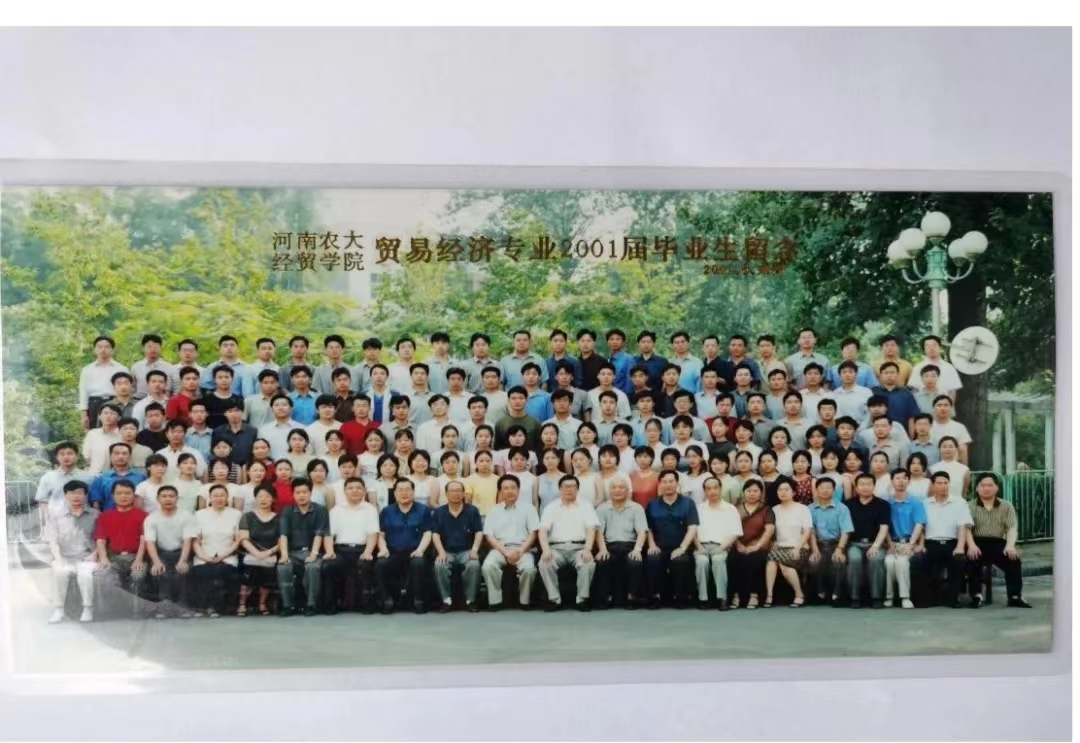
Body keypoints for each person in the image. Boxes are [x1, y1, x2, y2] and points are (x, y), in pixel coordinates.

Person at [966, 473, 1031, 608]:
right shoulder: (969, 506)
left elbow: (1011, 528)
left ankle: (1014, 596)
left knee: (1013, 560)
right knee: (973, 559)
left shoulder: (1006, 506)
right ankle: (976, 596)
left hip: (997, 542)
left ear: (996, 488)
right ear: (977, 488)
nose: (986, 488)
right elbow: (966, 529)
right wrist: (971, 545)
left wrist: (1010, 546)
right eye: (983, 485)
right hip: (977, 541)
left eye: (990, 485)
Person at [537, 475, 600, 612]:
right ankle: (554, 600)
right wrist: (546, 550)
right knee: (544, 562)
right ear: (559, 489)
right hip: (556, 549)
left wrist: (587, 549)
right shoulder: (551, 507)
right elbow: (542, 531)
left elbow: (591, 529)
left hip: (579, 548)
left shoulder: (586, 506)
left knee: (588, 563)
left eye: (572, 486)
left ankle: (582, 599)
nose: (569, 489)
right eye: (565, 486)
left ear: (577, 489)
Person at [481, 475, 540, 610]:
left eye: (513, 488)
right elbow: (489, 535)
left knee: (529, 569)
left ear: (518, 490)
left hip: (523, 549)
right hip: (500, 549)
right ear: (500, 492)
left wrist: (520, 551)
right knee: (488, 566)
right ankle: (495, 601)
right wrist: (506, 552)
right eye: (506, 488)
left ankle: (524, 601)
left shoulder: (529, 508)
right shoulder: (494, 510)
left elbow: (533, 533)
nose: (510, 491)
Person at [375, 478, 433, 614]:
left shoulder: (423, 510)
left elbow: (428, 532)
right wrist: (383, 549)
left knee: (418, 563)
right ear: (394, 493)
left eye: (407, 489)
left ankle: (418, 600)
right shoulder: (387, 511)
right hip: (393, 551)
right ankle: (387, 600)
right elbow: (381, 534)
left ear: (413, 492)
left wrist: (420, 550)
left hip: (415, 551)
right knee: (380, 564)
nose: (404, 493)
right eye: (400, 490)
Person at [44, 480, 99, 623]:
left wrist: (95, 555)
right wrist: (58, 558)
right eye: (72, 493)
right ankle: (58, 609)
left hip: (87, 557)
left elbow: (102, 539)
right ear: (66, 495)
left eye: (80, 493)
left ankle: (88, 608)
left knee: (85, 574)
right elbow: (52, 540)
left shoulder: (95, 515)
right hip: (64, 556)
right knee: (59, 571)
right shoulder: (56, 515)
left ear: (85, 495)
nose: (76, 496)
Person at [323, 477, 380, 614]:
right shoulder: (336, 510)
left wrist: (368, 551)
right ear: (344, 491)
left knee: (365, 564)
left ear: (364, 491)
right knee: (328, 566)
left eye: (358, 488)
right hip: (341, 550)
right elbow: (329, 535)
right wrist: (330, 551)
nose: (355, 491)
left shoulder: (370, 509)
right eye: (350, 488)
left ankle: (366, 604)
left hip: (362, 549)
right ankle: (331, 605)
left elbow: (373, 534)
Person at [92, 479, 147, 619]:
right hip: (113, 557)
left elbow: (145, 540)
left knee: (138, 575)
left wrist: (139, 560)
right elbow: (100, 540)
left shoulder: (143, 516)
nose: (123, 496)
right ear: (113, 496)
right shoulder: (105, 516)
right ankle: (107, 612)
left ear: (133, 495)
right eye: (119, 493)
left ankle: (136, 611)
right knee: (102, 574)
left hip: (135, 557)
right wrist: (104, 559)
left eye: (127, 493)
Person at [643, 469, 698, 609]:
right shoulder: (652, 504)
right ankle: (655, 597)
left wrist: (682, 548)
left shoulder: (688, 503)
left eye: (671, 481)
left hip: (680, 545)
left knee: (680, 560)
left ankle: (680, 597)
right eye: (665, 482)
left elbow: (692, 528)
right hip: (659, 546)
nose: (668, 485)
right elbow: (648, 528)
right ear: (660, 484)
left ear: (677, 483)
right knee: (652, 559)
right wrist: (652, 544)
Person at [592, 474, 648, 609]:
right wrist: (602, 549)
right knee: (602, 560)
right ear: (609, 491)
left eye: (621, 487)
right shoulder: (602, 508)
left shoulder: (636, 508)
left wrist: (637, 550)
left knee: (635, 561)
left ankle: (632, 597)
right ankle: (605, 597)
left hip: (630, 546)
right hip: (609, 546)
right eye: (614, 487)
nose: (617, 490)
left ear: (628, 491)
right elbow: (599, 532)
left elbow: (642, 532)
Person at [276, 478, 329, 616]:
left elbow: (319, 534)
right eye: (298, 492)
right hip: (293, 552)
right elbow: (283, 535)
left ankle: (311, 604)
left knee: (312, 567)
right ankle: (288, 606)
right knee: (283, 567)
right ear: (293, 494)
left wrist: (314, 554)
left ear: (310, 493)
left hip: (314, 551)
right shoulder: (287, 511)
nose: (301, 495)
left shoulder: (320, 510)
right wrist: (284, 555)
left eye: (304, 492)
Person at [142, 484, 197, 619]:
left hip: (181, 552)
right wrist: (156, 562)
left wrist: (183, 561)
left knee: (182, 571)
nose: (168, 499)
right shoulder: (151, 518)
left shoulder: (186, 516)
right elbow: (150, 542)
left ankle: (183, 607)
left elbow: (187, 541)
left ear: (177, 498)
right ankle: (164, 607)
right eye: (164, 496)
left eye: (171, 496)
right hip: (160, 553)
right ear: (158, 499)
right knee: (160, 572)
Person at [430, 480, 484, 613]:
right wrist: (441, 552)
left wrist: (474, 550)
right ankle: (446, 600)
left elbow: (479, 532)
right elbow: (435, 534)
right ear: (446, 494)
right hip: (447, 551)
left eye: (459, 490)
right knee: (439, 565)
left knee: (474, 564)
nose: (456, 493)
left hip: (466, 550)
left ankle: (470, 600)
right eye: (452, 491)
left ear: (463, 493)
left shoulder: (472, 510)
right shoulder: (439, 512)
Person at [191, 483, 242, 618]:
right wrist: (203, 556)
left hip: (227, 554)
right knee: (203, 570)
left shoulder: (236, 514)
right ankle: (205, 607)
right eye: (215, 496)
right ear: (210, 498)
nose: (219, 498)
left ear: (227, 497)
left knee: (221, 569)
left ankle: (216, 607)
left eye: (222, 495)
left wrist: (223, 555)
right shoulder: (199, 514)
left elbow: (237, 540)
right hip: (204, 554)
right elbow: (196, 541)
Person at [922, 472, 972, 608]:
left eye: (945, 483)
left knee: (959, 560)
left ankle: (952, 598)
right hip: (930, 543)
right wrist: (921, 544)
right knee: (919, 561)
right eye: (939, 483)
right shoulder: (925, 503)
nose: (943, 486)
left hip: (952, 543)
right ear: (932, 486)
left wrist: (960, 546)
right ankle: (928, 597)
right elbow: (920, 526)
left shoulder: (959, 502)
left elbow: (963, 525)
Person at [693, 476, 743, 610]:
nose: (712, 491)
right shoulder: (698, 508)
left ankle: (722, 598)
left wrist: (722, 547)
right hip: (701, 545)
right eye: (708, 489)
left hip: (722, 546)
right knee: (702, 561)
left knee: (718, 560)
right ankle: (703, 599)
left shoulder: (730, 508)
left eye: (715, 488)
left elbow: (736, 533)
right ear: (704, 491)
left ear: (721, 489)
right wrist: (699, 547)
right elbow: (692, 531)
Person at [765, 476, 812, 608]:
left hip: (800, 548)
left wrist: (797, 548)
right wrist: (773, 541)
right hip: (780, 548)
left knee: (783, 564)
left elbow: (807, 532)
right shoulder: (774, 510)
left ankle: (799, 594)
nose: (783, 492)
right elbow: (772, 531)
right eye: (780, 490)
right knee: (771, 561)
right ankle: (769, 596)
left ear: (794, 492)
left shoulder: (803, 509)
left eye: (786, 489)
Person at [728, 480, 775, 610]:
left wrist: (757, 546)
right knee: (733, 560)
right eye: (749, 491)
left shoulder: (766, 509)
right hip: (738, 544)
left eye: (755, 491)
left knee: (754, 560)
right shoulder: (736, 509)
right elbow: (731, 529)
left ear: (761, 493)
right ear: (744, 493)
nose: (752, 494)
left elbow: (770, 529)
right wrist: (738, 545)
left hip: (759, 545)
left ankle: (754, 595)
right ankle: (736, 596)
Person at [237, 484, 281, 615]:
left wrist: (268, 552)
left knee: (268, 571)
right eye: (260, 496)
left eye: (267, 496)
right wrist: (256, 553)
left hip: (271, 553)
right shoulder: (247, 516)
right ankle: (242, 604)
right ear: (255, 498)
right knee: (249, 569)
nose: (263, 499)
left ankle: (262, 603)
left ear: (273, 499)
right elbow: (244, 539)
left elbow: (282, 541)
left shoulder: (279, 518)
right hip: (251, 553)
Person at [884, 468, 925, 609]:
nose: (901, 481)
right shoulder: (887, 503)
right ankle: (889, 597)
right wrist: (890, 544)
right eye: (897, 478)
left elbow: (919, 524)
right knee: (889, 562)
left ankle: (905, 597)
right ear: (892, 481)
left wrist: (911, 544)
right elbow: (884, 526)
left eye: (904, 478)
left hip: (909, 542)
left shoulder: (916, 502)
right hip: (892, 543)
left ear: (908, 481)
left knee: (902, 562)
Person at [807, 478, 852, 605]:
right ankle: (819, 593)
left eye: (828, 487)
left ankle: (837, 594)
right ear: (816, 490)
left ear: (834, 490)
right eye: (822, 487)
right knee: (814, 562)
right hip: (818, 544)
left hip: (836, 543)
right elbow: (810, 532)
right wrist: (815, 550)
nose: (825, 490)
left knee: (838, 560)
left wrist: (840, 549)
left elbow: (846, 531)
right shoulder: (810, 508)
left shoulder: (842, 508)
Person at [79, 335, 129, 430]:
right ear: (95, 350)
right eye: (100, 347)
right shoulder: (87, 370)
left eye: (107, 347)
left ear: (112, 350)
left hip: (116, 403)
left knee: (117, 432)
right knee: (95, 433)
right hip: (94, 404)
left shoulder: (122, 368)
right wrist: (84, 415)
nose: (103, 350)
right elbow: (83, 393)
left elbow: (128, 390)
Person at [36, 441, 94, 522]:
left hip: (82, 522)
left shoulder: (88, 478)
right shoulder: (48, 478)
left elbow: (93, 502)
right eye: (62, 454)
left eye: (70, 453)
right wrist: (46, 522)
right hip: (56, 522)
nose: (66, 457)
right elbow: (43, 502)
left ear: (77, 456)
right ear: (57, 457)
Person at [89, 443, 148, 511]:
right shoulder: (101, 478)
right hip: (110, 516)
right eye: (117, 453)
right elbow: (95, 503)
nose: (120, 456)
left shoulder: (141, 477)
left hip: (136, 516)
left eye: (124, 453)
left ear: (130, 456)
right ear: (111, 456)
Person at [872, 362, 920, 437]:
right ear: (881, 375)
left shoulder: (906, 393)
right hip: (878, 435)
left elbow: (911, 418)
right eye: (886, 373)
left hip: (902, 435)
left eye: (892, 372)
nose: (889, 375)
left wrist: (911, 437)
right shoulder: (873, 392)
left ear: (897, 375)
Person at [929, 396, 972, 464]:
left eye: (946, 405)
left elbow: (963, 451)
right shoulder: (928, 427)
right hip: (931, 466)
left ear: (951, 408)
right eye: (939, 405)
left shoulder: (959, 427)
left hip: (952, 466)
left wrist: (964, 468)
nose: (943, 408)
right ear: (933, 408)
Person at [201, 365, 245, 430]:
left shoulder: (239, 400)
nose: (224, 380)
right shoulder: (206, 400)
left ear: (232, 379)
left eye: (227, 377)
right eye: (220, 377)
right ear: (214, 379)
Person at [83, 402, 123, 474]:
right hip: (95, 474)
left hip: (117, 475)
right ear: (99, 416)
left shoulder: (122, 435)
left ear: (119, 418)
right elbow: (87, 456)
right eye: (105, 413)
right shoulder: (92, 434)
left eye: (112, 413)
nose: (108, 416)